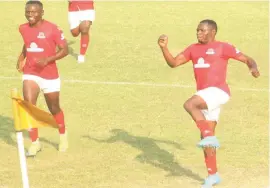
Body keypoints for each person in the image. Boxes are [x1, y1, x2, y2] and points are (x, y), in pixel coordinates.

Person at [158, 19, 260, 187]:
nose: (199, 33)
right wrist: (164, 48)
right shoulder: (193, 49)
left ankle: (209, 135)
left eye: (202, 30)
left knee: (190, 105)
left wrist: (253, 67)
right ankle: (213, 176)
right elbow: (174, 63)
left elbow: (247, 59)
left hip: (218, 92)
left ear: (213, 32)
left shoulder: (223, 47)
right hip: (204, 95)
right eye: (197, 30)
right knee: (207, 141)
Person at [17, 0, 69, 156]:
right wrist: (22, 56)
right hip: (31, 71)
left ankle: (63, 136)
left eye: (34, 12)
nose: (30, 15)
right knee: (30, 106)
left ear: (42, 13)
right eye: (28, 12)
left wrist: (47, 60)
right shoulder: (23, 28)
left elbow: (64, 50)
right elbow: (28, 43)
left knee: (54, 108)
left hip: (49, 74)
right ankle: (35, 143)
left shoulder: (53, 29)